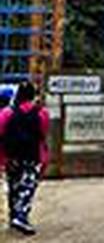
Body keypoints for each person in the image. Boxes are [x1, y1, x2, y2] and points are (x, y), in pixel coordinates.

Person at [0, 81, 50, 235]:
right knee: (27, 186)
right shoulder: (42, 113)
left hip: (12, 156)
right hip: (32, 155)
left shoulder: (7, 113)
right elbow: (43, 133)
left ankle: (14, 215)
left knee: (14, 185)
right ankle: (21, 216)